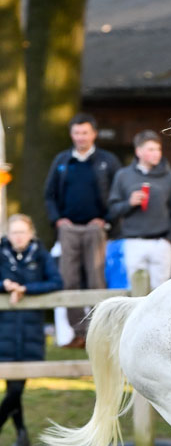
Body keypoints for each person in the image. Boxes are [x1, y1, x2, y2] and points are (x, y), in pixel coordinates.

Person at [43, 113, 121, 346]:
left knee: (97, 280)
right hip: (68, 230)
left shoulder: (108, 161)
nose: (80, 137)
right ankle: (79, 333)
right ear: (71, 134)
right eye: (76, 133)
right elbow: (49, 195)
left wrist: (106, 220)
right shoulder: (62, 161)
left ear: (94, 134)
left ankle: (100, 330)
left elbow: (118, 195)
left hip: (96, 230)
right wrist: (57, 220)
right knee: (68, 280)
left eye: (85, 132)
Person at [0, 214, 63, 446]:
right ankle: (22, 436)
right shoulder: (1, 254)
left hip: (30, 332)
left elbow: (56, 282)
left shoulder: (40, 255)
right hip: (5, 330)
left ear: (30, 234)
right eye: (14, 232)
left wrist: (26, 289)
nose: (18, 237)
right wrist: (5, 285)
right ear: (8, 234)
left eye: (22, 232)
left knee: (16, 389)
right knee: (13, 388)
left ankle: (20, 436)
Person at [107, 131, 171, 289]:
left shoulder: (170, 177)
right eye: (151, 149)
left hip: (161, 243)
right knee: (135, 291)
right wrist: (129, 203)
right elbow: (113, 210)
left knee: (162, 291)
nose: (156, 153)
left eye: (158, 149)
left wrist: (170, 239)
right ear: (139, 151)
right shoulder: (123, 175)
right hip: (133, 242)